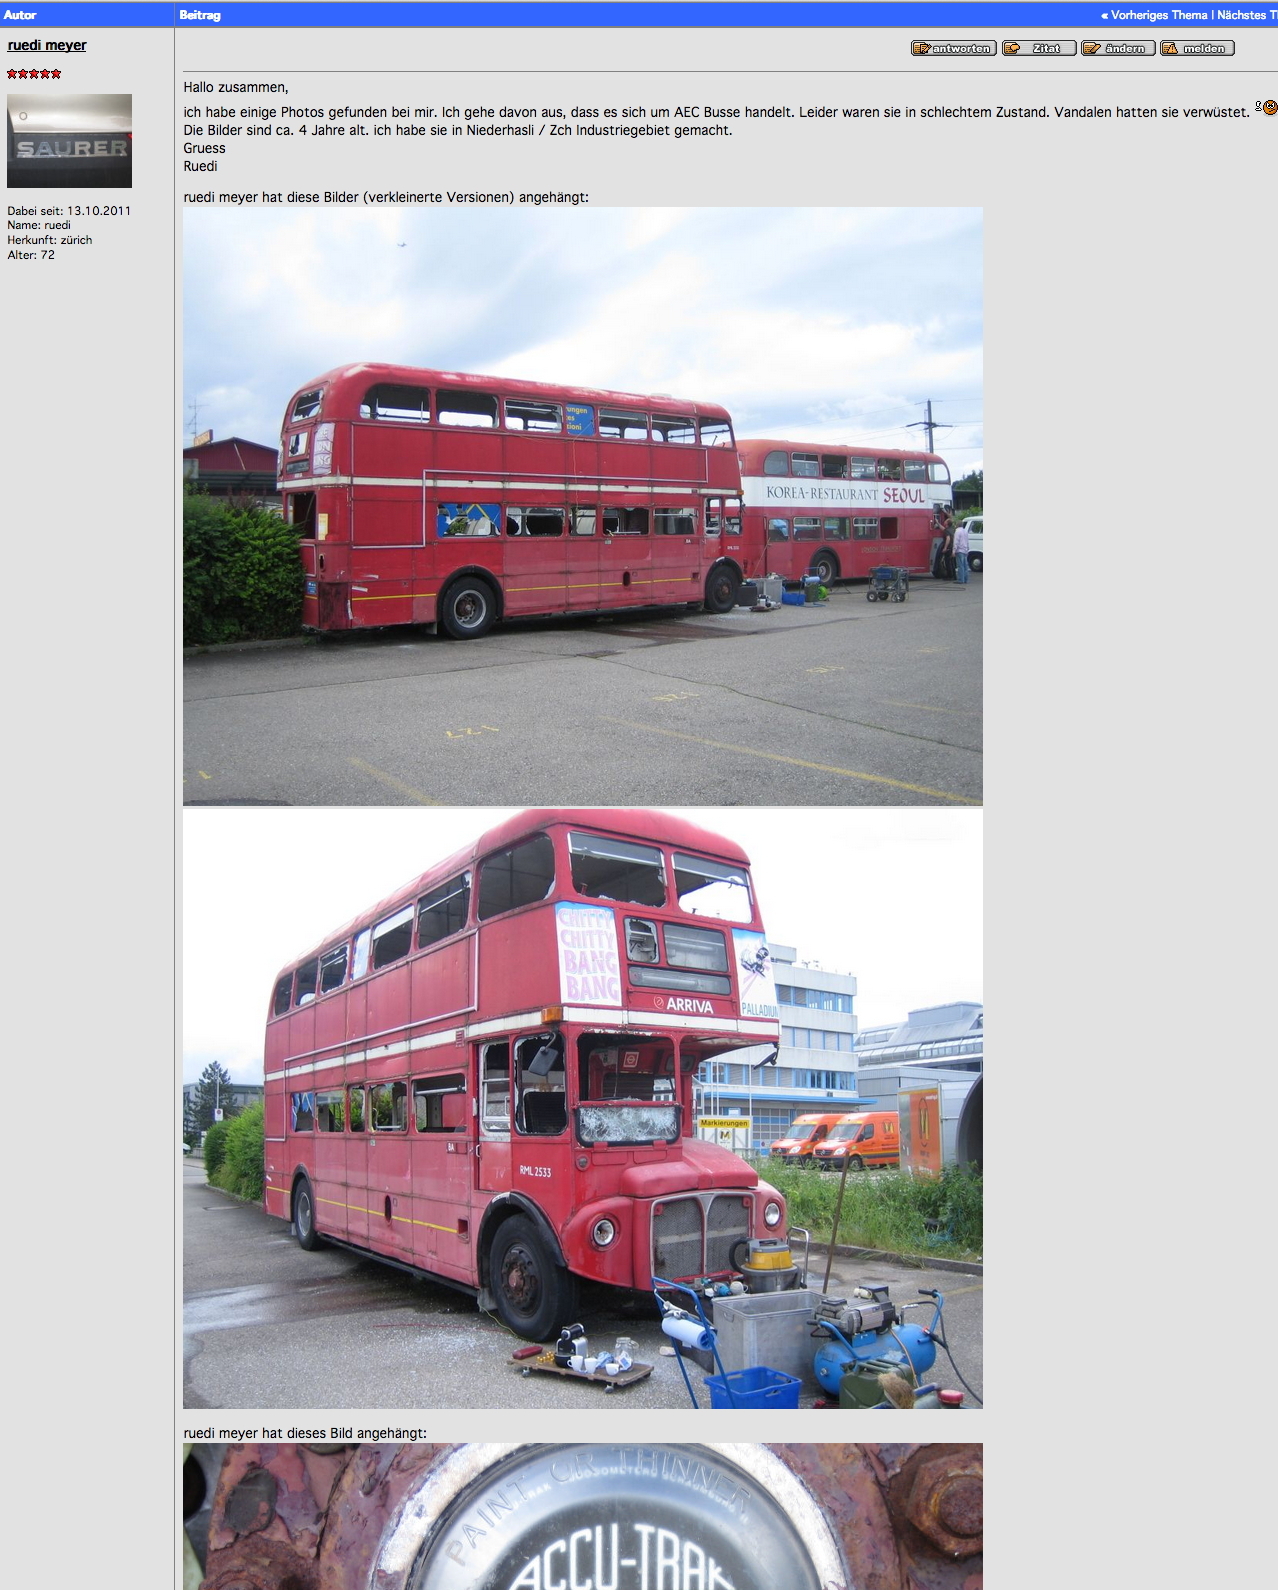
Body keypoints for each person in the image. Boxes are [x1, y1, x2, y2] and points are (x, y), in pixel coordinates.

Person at [932, 510, 955, 580]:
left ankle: (949, 576)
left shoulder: (947, 530)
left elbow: (947, 539)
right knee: (951, 562)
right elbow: (943, 528)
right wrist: (938, 523)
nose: (944, 521)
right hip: (952, 547)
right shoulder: (951, 529)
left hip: (948, 548)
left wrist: (945, 548)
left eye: (946, 521)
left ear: (947, 523)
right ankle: (953, 575)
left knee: (948, 562)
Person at [952, 515, 970, 584]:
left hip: (959, 550)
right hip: (965, 550)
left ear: (957, 525)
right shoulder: (965, 531)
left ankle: (960, 579)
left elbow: (956, 542)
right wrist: (968, 549)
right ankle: (965, 579)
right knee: (965, 566)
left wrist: (954, 551)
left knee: (960, 565)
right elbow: (967, 541)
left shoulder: (957, 532)